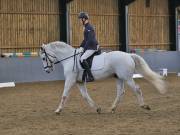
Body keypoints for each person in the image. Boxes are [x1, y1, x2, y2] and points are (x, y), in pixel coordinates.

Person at [78, 12, 99, 82]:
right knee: (81, 56)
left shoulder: (89, 27)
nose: (79, 21)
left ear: (84, 19)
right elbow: (85, 39)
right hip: (90, 46)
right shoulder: (86, 27)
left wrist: (84, 49)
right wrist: (80, 47)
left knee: (82, 58)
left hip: (92, 46)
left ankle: (90, 77)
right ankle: (84, 75)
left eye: (80, 19)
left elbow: (89, 40)